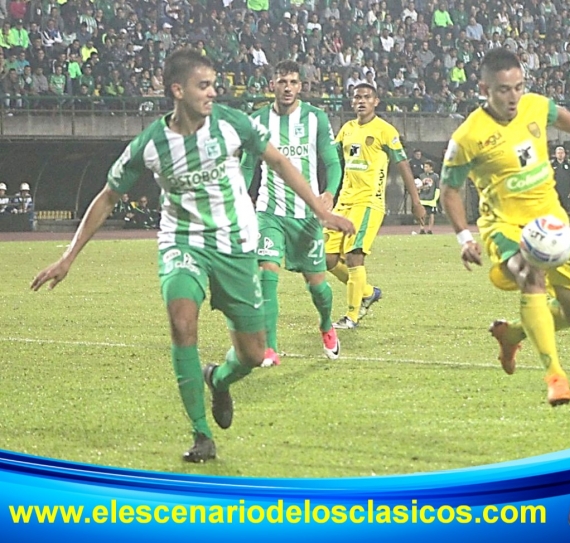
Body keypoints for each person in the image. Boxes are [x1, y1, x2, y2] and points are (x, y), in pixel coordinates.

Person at [31, 49, 354, 463]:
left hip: (235, 247)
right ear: (177, 90)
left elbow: (279, 160)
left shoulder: (233, 124)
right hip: (182, 244)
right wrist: (68, 256)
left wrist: (319, 208)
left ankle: (218, 378)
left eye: (214, 85)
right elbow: (108, 197)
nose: (213, 93)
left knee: (252, 355)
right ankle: (202, 435)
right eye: (204, 85)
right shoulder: (151, 143)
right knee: (182, 323)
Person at [440, 49, 570, 406]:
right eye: (504, 90)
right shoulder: (467, 137)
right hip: (504, 226)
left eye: (518, 87)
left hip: (551, 221)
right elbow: (449, 191)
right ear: (484, 89)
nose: (513, 97)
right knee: (531, 275)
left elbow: (558, 115)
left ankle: (512, 334)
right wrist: (464, 237)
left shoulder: (535, 106)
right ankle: (555, 376)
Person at [241, 60, 342, 364]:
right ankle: (268, 348)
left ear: (301, 86)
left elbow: (332, 163)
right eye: (282, 81)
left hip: (306, 215)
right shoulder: (256, 120)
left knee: (318, 287)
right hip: (269, 212)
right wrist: (240, 199)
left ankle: (326, 324)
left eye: (293, 82)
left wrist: (329, 193)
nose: (287, 88)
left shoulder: (316, 119)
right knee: (267, 272)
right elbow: (247, 166)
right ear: (272, 84)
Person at [325, 82, 426, 329]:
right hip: (344, 202)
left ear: (376, 101)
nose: (361, 101)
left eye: (366, 97)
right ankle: (368, 292)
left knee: (354, 256)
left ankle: (351, 316)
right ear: (351, 102)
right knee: (325, 258)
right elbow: (334, 161)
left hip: (368, 202)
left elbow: (402, 164)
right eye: (357, 97)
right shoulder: (346, 130)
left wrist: (415, 200)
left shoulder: (384, 130)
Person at [551, 146, 570, 212]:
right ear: (555, 154)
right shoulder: (551, 164)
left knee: (565, 209)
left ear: (564, 154)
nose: (560, 154)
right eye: (558, 153)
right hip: (555, 190)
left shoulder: (569, 164)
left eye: (562, 153)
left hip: (566, 191)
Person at [418, 160, 439, 234]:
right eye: (424, 166)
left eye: (426, 167)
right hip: (422, 198)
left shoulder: (435, 176)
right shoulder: (421, 176)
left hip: (431, 199)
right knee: (422, 214)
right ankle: (422, 228)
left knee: (431, 214)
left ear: (431, 167)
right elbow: (418, 187)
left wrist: (435, 198)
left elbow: (437, 188)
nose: (425, 168)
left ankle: (430, 229)